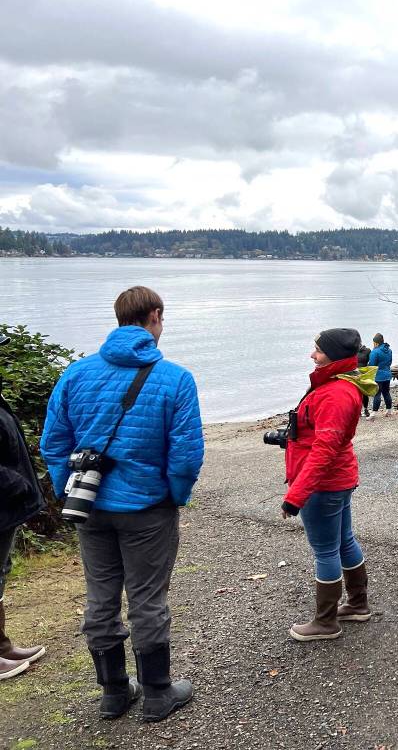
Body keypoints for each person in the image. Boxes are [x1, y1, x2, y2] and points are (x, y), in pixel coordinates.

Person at [40, 287, 203, 722]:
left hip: (90, 506)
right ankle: (157, 693)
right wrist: (175, 495)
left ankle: (113, 692)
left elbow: (53, 442)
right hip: (148, 507)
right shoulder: (176, 378)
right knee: (147, 599)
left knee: (100, 597)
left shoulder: (76, 374)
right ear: (155, 316)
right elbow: (185, 454)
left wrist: (69, 491)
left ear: (118, 318)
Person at [281, 329, 378, 641]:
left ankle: (325, 621)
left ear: (334, 355)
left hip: (323, 484)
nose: (313, 355)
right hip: (336, 479)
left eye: (318, 350)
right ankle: (358, 604)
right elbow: (324, 439)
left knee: (325, 550)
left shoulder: (335, 393)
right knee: (344, 541)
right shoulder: (339, 384)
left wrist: (296, 496)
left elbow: (324, 450)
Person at [0, 332, 46, 681]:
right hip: (5, 497)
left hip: (6, 507)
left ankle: (1, 646)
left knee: (0, 573)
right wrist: (18, 485)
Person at [368, 333, 394, 416]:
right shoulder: (389, 350)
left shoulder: (375, 352)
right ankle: (389, 411)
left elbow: (372, 365)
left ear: (376, 343)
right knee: (386, 393)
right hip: (387, 374)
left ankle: (374, 413)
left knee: (377, 394)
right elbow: (390, 362)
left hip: (378, 376)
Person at [356, 343, 373, 418]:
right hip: (363, 374)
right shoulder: (368, 351)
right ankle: (364, 410)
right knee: (364, 392)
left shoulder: (353, 351)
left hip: (357, 374)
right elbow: (371, 362)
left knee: (358, 393)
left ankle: (361, 410)